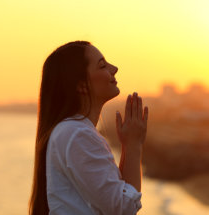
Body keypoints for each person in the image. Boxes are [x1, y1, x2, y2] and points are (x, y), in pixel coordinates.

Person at [28, 40, 148, 215]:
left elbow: (118, 198)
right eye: (102, 66)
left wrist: (130, 145)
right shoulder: (77, 133)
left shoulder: (71, 131)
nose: (114, 68)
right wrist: (133, 145)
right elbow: (123, 209)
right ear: (80, 85)